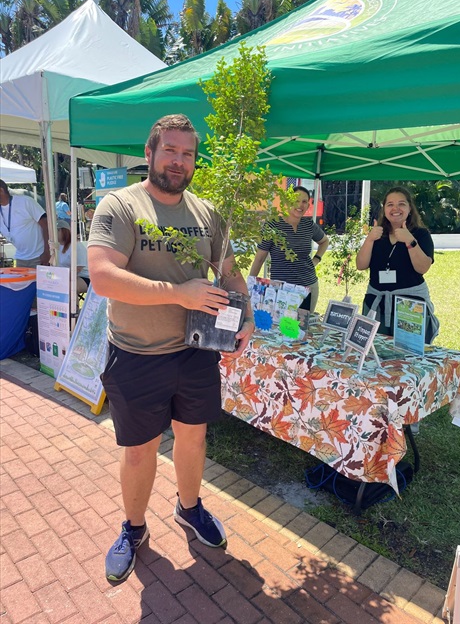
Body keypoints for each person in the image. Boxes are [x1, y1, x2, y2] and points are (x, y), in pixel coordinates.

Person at [88, 114, 255, 583]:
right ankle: (134, 529)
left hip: (195, 351)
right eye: (170, 151)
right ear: (150, 153)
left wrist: (248, 316)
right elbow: (102, 277)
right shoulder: (120, 206)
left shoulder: (208, 214)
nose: (179, 161)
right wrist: (177, 293)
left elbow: (230, 272)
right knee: (140, 451)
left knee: (193, 437)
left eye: (187, 154)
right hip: (138, 353)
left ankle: (189, 508)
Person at [356, 186, 439, 342]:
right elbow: (360, 265)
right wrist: (369, 239)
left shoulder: (420, 234)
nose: (396, 208)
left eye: (401, 204)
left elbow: (422, 268)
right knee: (376, 350)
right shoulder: (377, 234)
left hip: (410, 306)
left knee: (409, 353)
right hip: (377, 303)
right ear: (384, 209)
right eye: (390, 204)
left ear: (409, 208)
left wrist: (410, 241)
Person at [249, 185, 329, 312]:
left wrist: (316, 259)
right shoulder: (273, 225)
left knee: (302, 329)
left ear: (308, 205)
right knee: (280, 328)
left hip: (308, 287)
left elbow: (324, 241)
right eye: (296, 200)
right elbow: (259, 258)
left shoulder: (308, 224)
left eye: (304, 202)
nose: (300, 205)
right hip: (282, 289)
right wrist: (249, 285)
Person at [0, 179, 50, 267]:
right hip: (20, 258)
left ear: (1, 190)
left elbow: (46, 225)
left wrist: (47, 252)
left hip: (39, 257)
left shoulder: (26, 202)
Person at [56, 220, 90, 293]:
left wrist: (62, 279)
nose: (53, 233)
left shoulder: (76, 246)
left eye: (57, 230)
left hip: (84, 277)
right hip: (65, 276)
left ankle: (75, 305)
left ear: (64, 231)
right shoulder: (57, 247)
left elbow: (78, 268)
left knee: (68, 287)